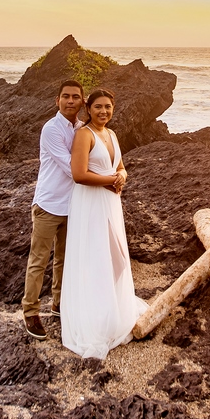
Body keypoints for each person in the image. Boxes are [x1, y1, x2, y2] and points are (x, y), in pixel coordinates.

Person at [61, 88, 148, 358]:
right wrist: (111, 180)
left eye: (108, 106)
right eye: (98, 106)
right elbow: (78, 174)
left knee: (117, 258)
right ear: (88, 109)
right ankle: (95, 319)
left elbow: (120, 166)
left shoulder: (111, 134)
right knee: (96, 257)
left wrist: (121, 176)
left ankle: (110, 308)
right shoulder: (84, 135)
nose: (103, 111)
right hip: (90, 202)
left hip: (110, 201)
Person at [22, 80, 85, 340]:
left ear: (82, 101)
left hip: (73, 205)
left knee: (64, 259)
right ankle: (30, 311)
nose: (70, 101)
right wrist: (105, 178)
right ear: (57, 100)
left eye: (75, 97)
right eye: (65, 96)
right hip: (48, 205)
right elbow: (71, 168)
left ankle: (58, 304)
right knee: (39, 261)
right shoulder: (51, 129)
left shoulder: (82, 128)